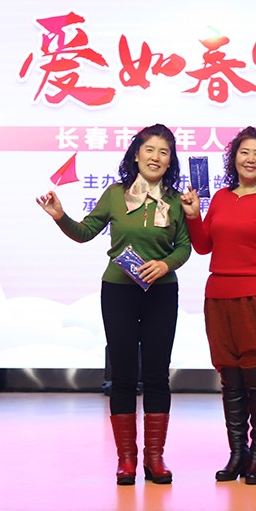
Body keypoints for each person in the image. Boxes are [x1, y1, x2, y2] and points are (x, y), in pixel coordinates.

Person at [36, 124, 191, 486]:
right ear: (135, 155)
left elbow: (184, 246)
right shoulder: (115, 194)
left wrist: (165, 264)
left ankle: (155, 458)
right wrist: (60, 216)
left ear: (171, 161)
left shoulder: (176, 200)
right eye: (149, 150)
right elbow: (85, 232)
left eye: (164, 152)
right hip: (119, 291)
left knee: (157, 374)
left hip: (161, 293)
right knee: (122, 374)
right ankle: (126, 460)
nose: (156, 157)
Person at [180, 126, 256, 485]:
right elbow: (203, 246)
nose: (251, 159)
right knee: (230, 379)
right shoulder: (221, 198)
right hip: (218, 298)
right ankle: (237, 454)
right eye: (245, 152)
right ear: (234, 158)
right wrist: (194, 215)